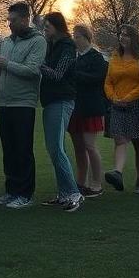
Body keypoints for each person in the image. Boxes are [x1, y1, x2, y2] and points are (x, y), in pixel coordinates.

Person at [0, 2, 48, 209]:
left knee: (23, 149)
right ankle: (11, 190)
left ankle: (25, 194)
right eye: (8, 20)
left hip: (23, 103)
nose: (10, 24)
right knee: (9, 150)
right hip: (4, 102)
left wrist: (6, 64)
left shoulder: (38, 41)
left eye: (13, 20)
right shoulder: (6, 42)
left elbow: (33, 70)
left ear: (25, 19)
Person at [39, 12, 82, 212]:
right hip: (50, 101)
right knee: (54, 149)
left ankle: (73, 194)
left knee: (57, 148)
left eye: (47, 26)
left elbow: (57, 74)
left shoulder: (67, 46)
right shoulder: (53, 46)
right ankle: (64, 194)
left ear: (57, 26)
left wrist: (37, 66)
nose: (45, 30)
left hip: (61, 101)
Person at [103, 24, 139, 195]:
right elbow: (108, 81)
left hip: (136, 106)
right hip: (116, 106)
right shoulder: (115, 57)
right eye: (121, 34)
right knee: (120, 140)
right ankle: (117, 173)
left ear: (134, 38)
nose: (123, 38)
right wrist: (113, 97)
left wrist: (128, 98)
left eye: (127, 35)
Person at [67, 23, 108, 198]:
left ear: (86, 38)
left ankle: (96, 184)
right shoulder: (75, 58)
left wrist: (76, 75)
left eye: (77, 36)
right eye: (74, 36)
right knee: (78, 147)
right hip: (75, 107)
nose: (75, 39)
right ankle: (81, 182)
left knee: (90, 146)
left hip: (91, 107)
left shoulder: (96, 57)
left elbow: (98, 79)